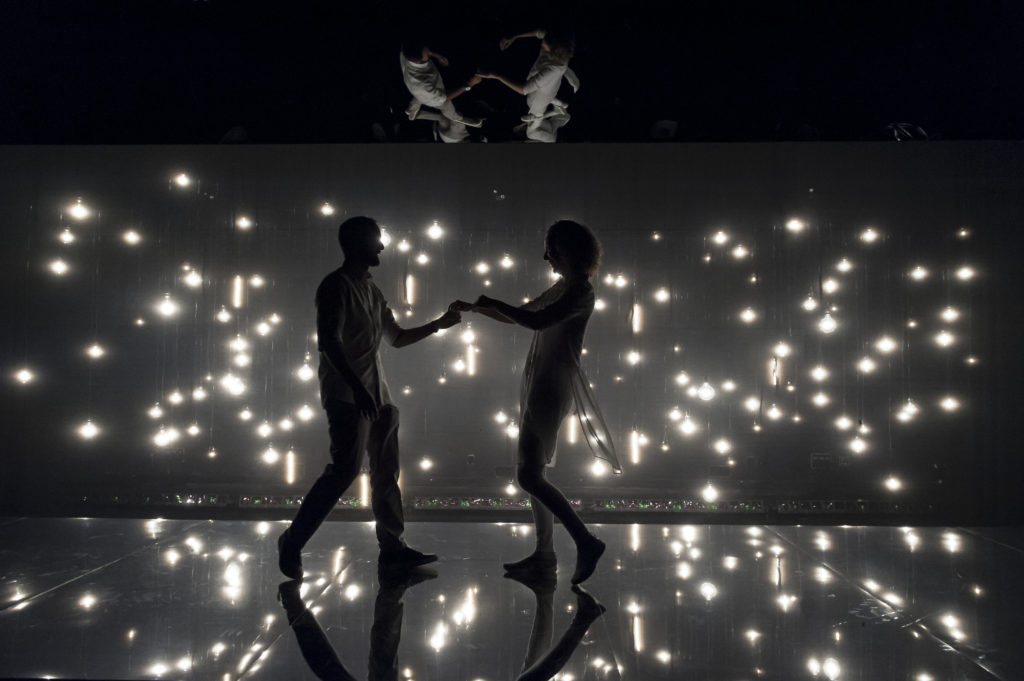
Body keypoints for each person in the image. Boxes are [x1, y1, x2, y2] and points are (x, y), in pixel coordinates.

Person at [278, 216, 462, 579]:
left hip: (378, 396)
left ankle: (393, 549)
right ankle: (292, 541)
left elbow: (396, 338)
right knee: (343, 472)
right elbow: (328, 342)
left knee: (385, 474)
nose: (381, 248)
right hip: (349, 396)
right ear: (357, 243)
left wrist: (439, 324)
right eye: (376, 241)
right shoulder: (336, 286)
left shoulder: (372, 291)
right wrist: (358, 388)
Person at [451, 220, 621, 584]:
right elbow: (523, 313)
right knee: (534, 472)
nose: (547, 257)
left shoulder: (580, 292)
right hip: (542, 381)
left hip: (553, 384)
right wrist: (480, 309)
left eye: (552, 249)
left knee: (528, 474)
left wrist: (491, 304)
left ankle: (585, 540)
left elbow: (536, 321)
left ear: (569, 251)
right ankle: (545, 555)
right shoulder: (564, 287)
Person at [478, 27, 580, 142]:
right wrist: (514, 37)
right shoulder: (555, 39)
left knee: (533, 124)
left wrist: (497, 76)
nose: (542, 44)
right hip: (546, 87)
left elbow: (523, 89)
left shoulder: (554, 68)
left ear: (555, 50)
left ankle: (553, 114)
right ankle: (555, 107)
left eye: (545, 45)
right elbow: (539, 33)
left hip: (540, 98)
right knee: (535, 112)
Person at [400, 36, 484, 142]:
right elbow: (445, 98)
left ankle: (411, 110)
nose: (429, 53)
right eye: (427, 54)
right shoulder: (421, 86)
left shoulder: (406, 52)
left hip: (421, 91)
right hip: (428, 94)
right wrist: (469, 85)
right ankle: (458, 118)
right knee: (448, 110)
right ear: (418, 61)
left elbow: (424, 52)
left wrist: (436, 56)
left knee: (420, 97)